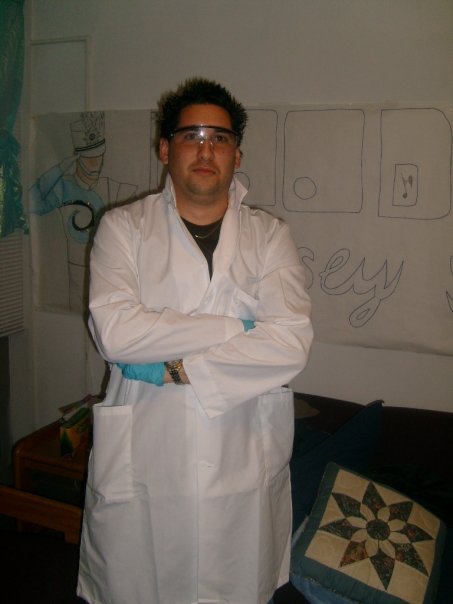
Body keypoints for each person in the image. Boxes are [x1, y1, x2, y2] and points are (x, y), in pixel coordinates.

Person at [77, 77, 313, 604]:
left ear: (237, 155)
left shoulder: (269, 236)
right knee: (141, 584)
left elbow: (290, 343)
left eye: (220, 138)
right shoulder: (123, 229)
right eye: (192, 136)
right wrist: (236, 329)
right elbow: (116, 332)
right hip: (147, 455)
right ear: (165, 149)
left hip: (241, 455)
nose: (206, 151)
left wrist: (175, 369)